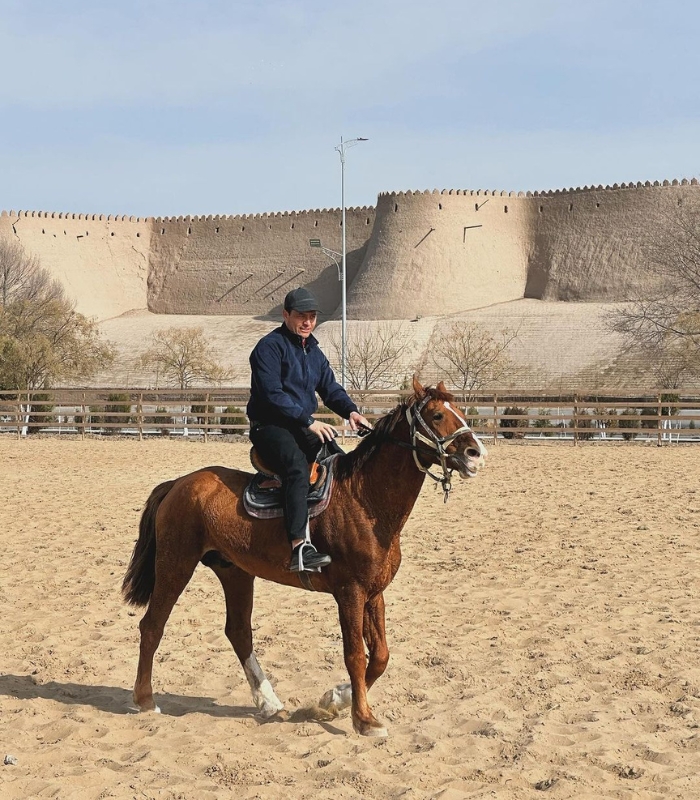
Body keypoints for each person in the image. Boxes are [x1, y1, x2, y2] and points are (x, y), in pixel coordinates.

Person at [247, 287, 370, 572]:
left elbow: (330, 388)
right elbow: (272, 395)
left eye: (312, 317)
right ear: (286, 315)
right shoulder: (268, 347)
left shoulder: (313, 350)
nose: (308, 322)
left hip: (301, 423)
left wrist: (351, 411)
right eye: (301, 316)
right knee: (296, 469)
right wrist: (310, 422)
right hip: (270, 426)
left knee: (339, 460)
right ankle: (299, 549)